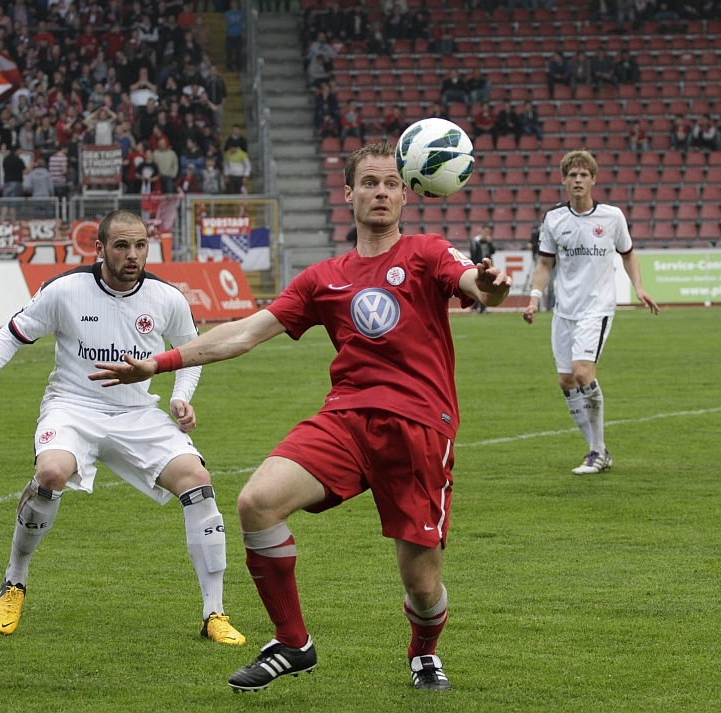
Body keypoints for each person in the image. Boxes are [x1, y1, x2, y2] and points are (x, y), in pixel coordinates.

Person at [89, 141, 512, 693]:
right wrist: (158, 362)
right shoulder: (323, 278)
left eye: (391, 183)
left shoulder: (427, 252)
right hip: (347, 419)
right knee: (257, 502)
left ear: (406, 194)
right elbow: (245, 332)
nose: (380, 192)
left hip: (419, 429)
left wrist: (489, 288)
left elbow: (474, 284)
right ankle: (293, 642)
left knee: (422, 584)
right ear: (349, 194)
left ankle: (424, 653)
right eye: (369, 182)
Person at [0, 210, 245, 647]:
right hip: (73, 407)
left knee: (197, 481)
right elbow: (12, 333)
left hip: (137, 414)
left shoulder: (166, 298)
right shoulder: (65, 290)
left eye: (140, 245)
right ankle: (14, 581)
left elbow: (191, 353)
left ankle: (214, 613)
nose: (133, 255)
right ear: (100, 248)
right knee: (51, 473)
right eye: (122, 246)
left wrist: (181, 397)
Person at [522, 150, 659, 475]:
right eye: (572, 175)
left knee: (583, 372)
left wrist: (639, 287)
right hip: (564, 310)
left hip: (597, 308)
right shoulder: (554, 219)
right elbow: (545, 264)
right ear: (564, 180)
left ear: (594, 179)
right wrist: (534, 298)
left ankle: (597, 451)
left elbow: (628, 254)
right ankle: (598, 451)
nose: (578, 180)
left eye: (584, 175)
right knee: (566, 380)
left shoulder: (612, 217)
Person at [469, 225, 496, 314]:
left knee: (486, 287)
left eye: (488, 232)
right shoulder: (476, 241)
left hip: (488, 267)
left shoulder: (488, 241)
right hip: (478, 266)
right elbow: (473, 254)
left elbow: (493, 251)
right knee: (478, 287)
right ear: (482, 231)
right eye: (486, 232)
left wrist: (490, 243)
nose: (487, 234)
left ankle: (483, 308)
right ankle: (474, 308)